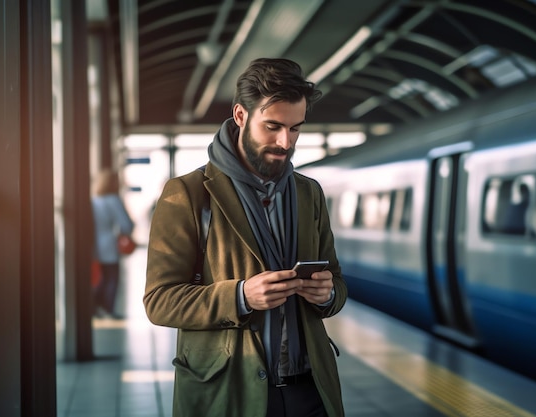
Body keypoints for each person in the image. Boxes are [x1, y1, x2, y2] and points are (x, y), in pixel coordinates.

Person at [144, 58, 347, 417]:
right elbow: (159, 301)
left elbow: (336, 281)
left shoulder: (308, 193)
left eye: (296, 129)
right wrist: (240, 296)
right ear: (240, 116)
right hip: (230, 391)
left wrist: (327, 293)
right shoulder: (187, 195)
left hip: (310, 390)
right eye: (273, 127)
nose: (285, 142)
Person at [91, 168, 135, 319]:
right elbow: (126, 225)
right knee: (111, 278)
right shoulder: (113, 200)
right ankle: (108, 309)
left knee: (98, 278)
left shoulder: (93, 200)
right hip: (109, 245)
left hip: (93, 245)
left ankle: (95, 308)